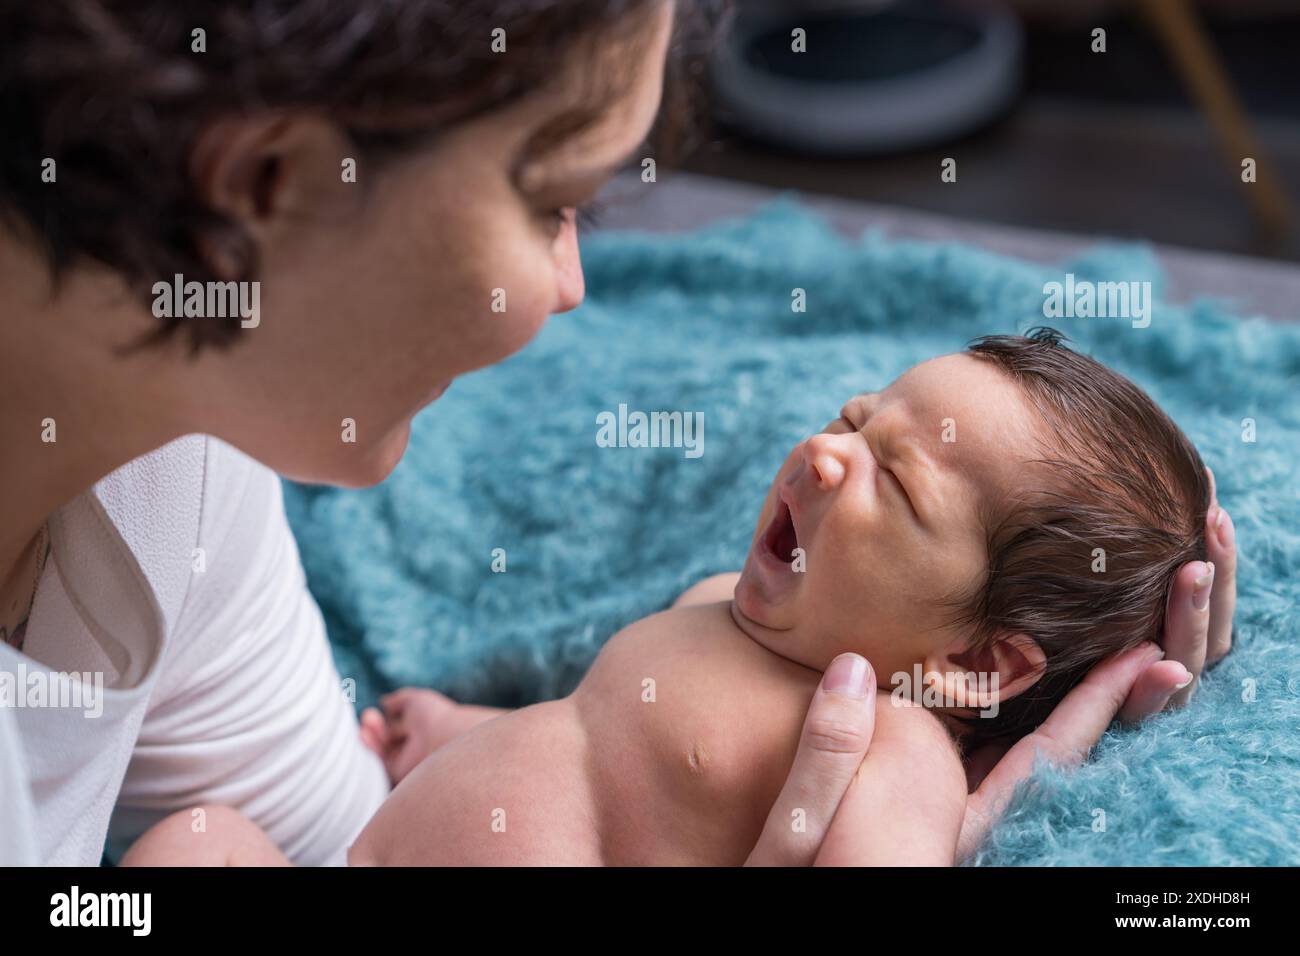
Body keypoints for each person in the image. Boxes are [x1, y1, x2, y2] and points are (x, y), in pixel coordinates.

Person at [0, 0, 1236, 867]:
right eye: (551, 197)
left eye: (898, 480)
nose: (576, 285)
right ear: (263, 178)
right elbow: (590, 736)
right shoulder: (723, 609)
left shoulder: (892, 749)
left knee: (201, 843)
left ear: (987, 666)